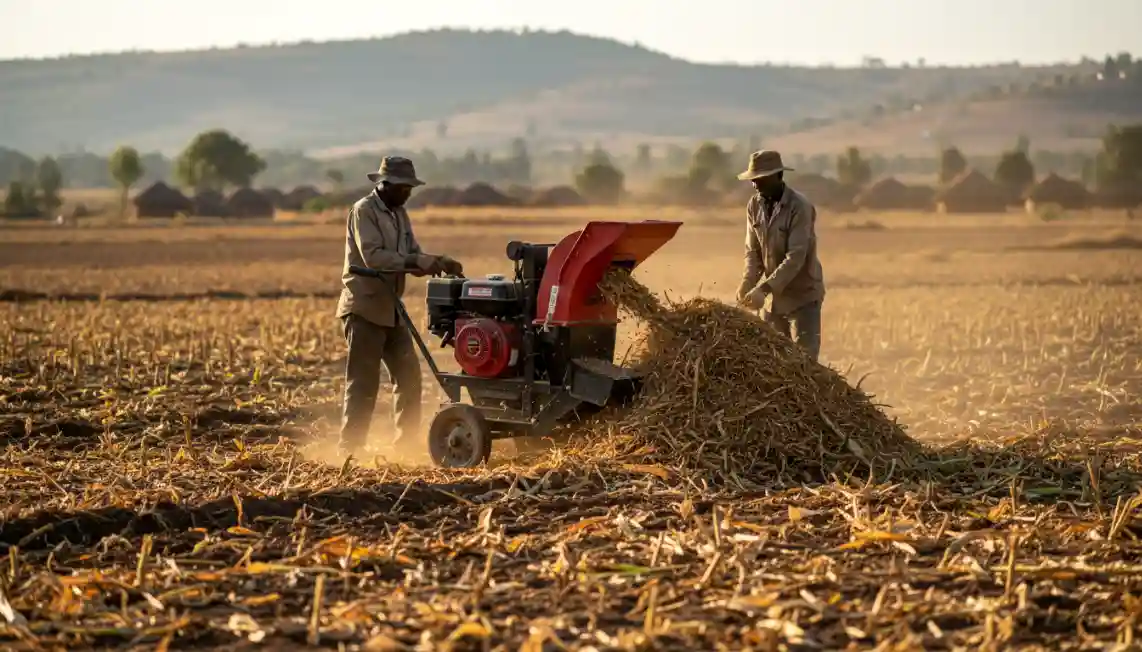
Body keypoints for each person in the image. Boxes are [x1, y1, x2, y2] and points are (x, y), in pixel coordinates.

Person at [334, 156, 463, 459]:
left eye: (410, 188)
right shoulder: (363, 211)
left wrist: (438, 261)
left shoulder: (400, 214)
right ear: (385, 184)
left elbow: (413, 254)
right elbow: (373, 257)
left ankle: (405, 447)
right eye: (404, 188)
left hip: (392, 309)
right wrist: (415, 262)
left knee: (409, 379)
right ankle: (349, 451)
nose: (408, 193)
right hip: (364, 308)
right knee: (363, 384)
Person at [734, 150, 825, 362]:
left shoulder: (799, 207)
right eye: (753, 180)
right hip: (773, 302)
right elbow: (752, 252)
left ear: (778, 177)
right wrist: (747, 283)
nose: (756, 185)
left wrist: (764, 288)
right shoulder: (754, 205)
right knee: (774, 363)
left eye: (761, 179)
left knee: (805, 364)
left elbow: (796, 256)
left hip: (803, 296)